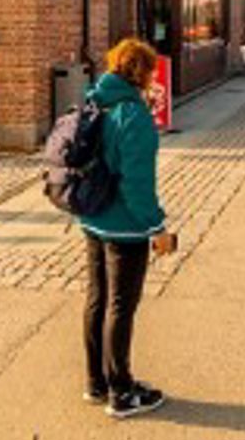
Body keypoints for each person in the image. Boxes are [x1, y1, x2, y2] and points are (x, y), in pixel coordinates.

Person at [80, 38, 174, 419]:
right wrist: (157, 227)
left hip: (91, 217)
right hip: (124, 228)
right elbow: (137, 184)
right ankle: (121, 392)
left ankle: (95, 383)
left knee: (97, 299)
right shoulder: (133, 116)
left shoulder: (94, 100)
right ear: (143, 72)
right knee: (121, 305)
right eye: (151, 70)